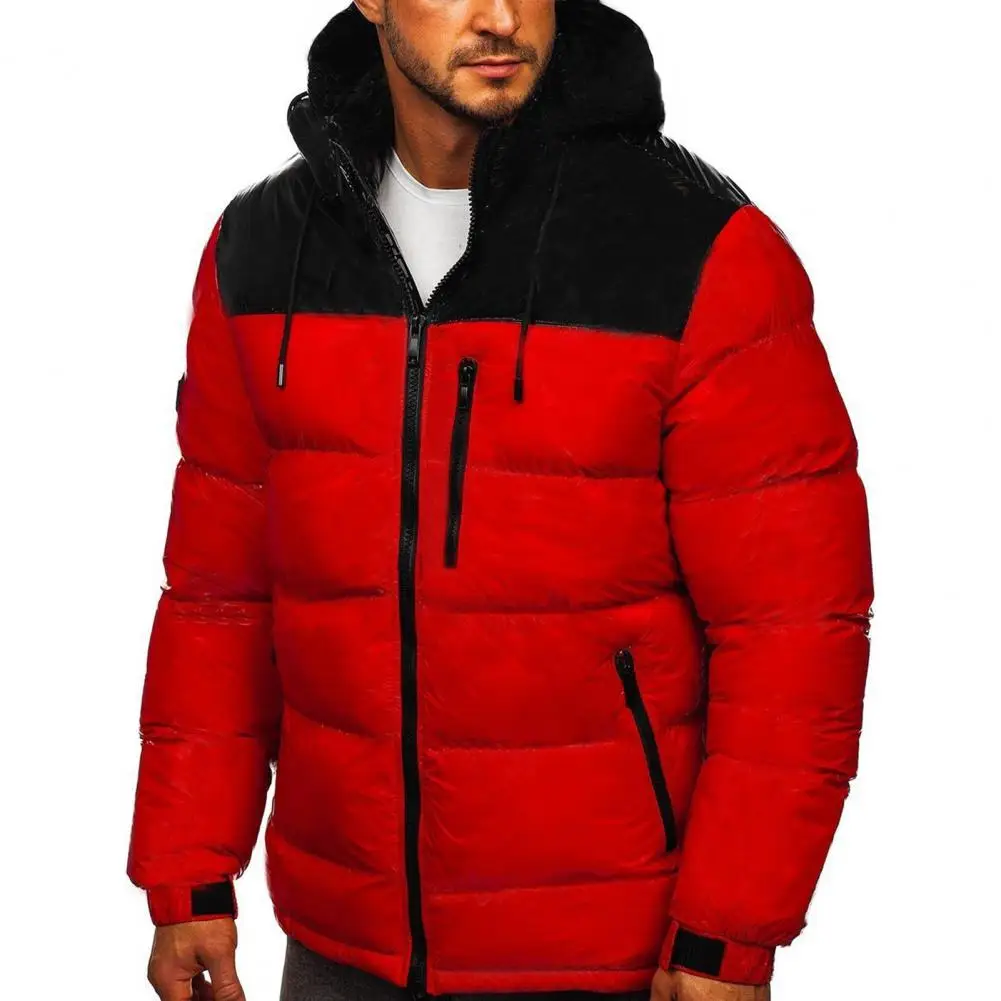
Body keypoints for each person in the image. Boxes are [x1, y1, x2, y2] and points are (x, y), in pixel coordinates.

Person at [126, 2, 875, 1000]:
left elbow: (792, 629)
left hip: (609, 950)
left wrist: (725, 934)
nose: (500, 17)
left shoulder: (697, 252)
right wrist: (189, 870)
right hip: (342, 945)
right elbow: (219, 596)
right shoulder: (263, 248)